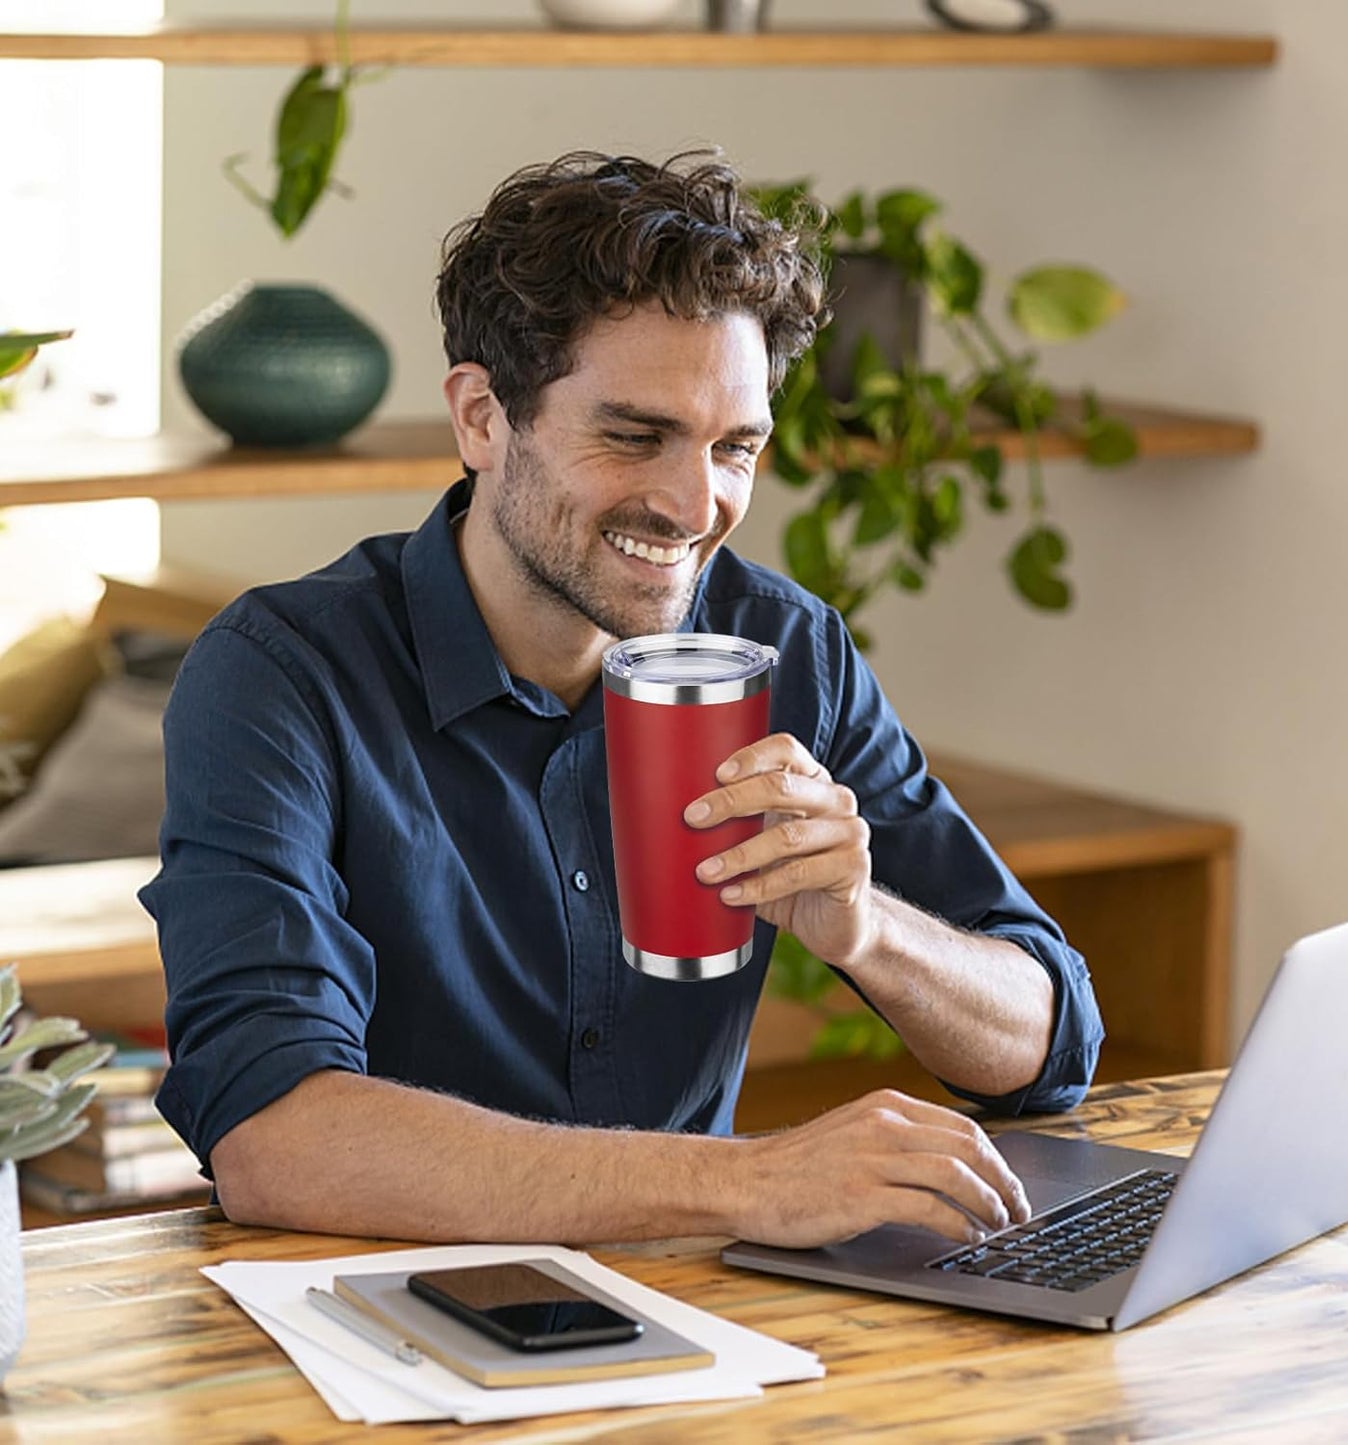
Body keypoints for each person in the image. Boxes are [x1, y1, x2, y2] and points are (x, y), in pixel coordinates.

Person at [142, 150, 1103, 1251]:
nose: (697, 504)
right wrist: (748, 1184)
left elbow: (1046, 1042)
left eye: (734, 447)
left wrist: (865, 924)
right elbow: (274, 1137)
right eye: (634, 435)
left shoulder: (784, 645)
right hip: (376, 1334)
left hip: (702, 1319)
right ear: (481, 417)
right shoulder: (281, 675)